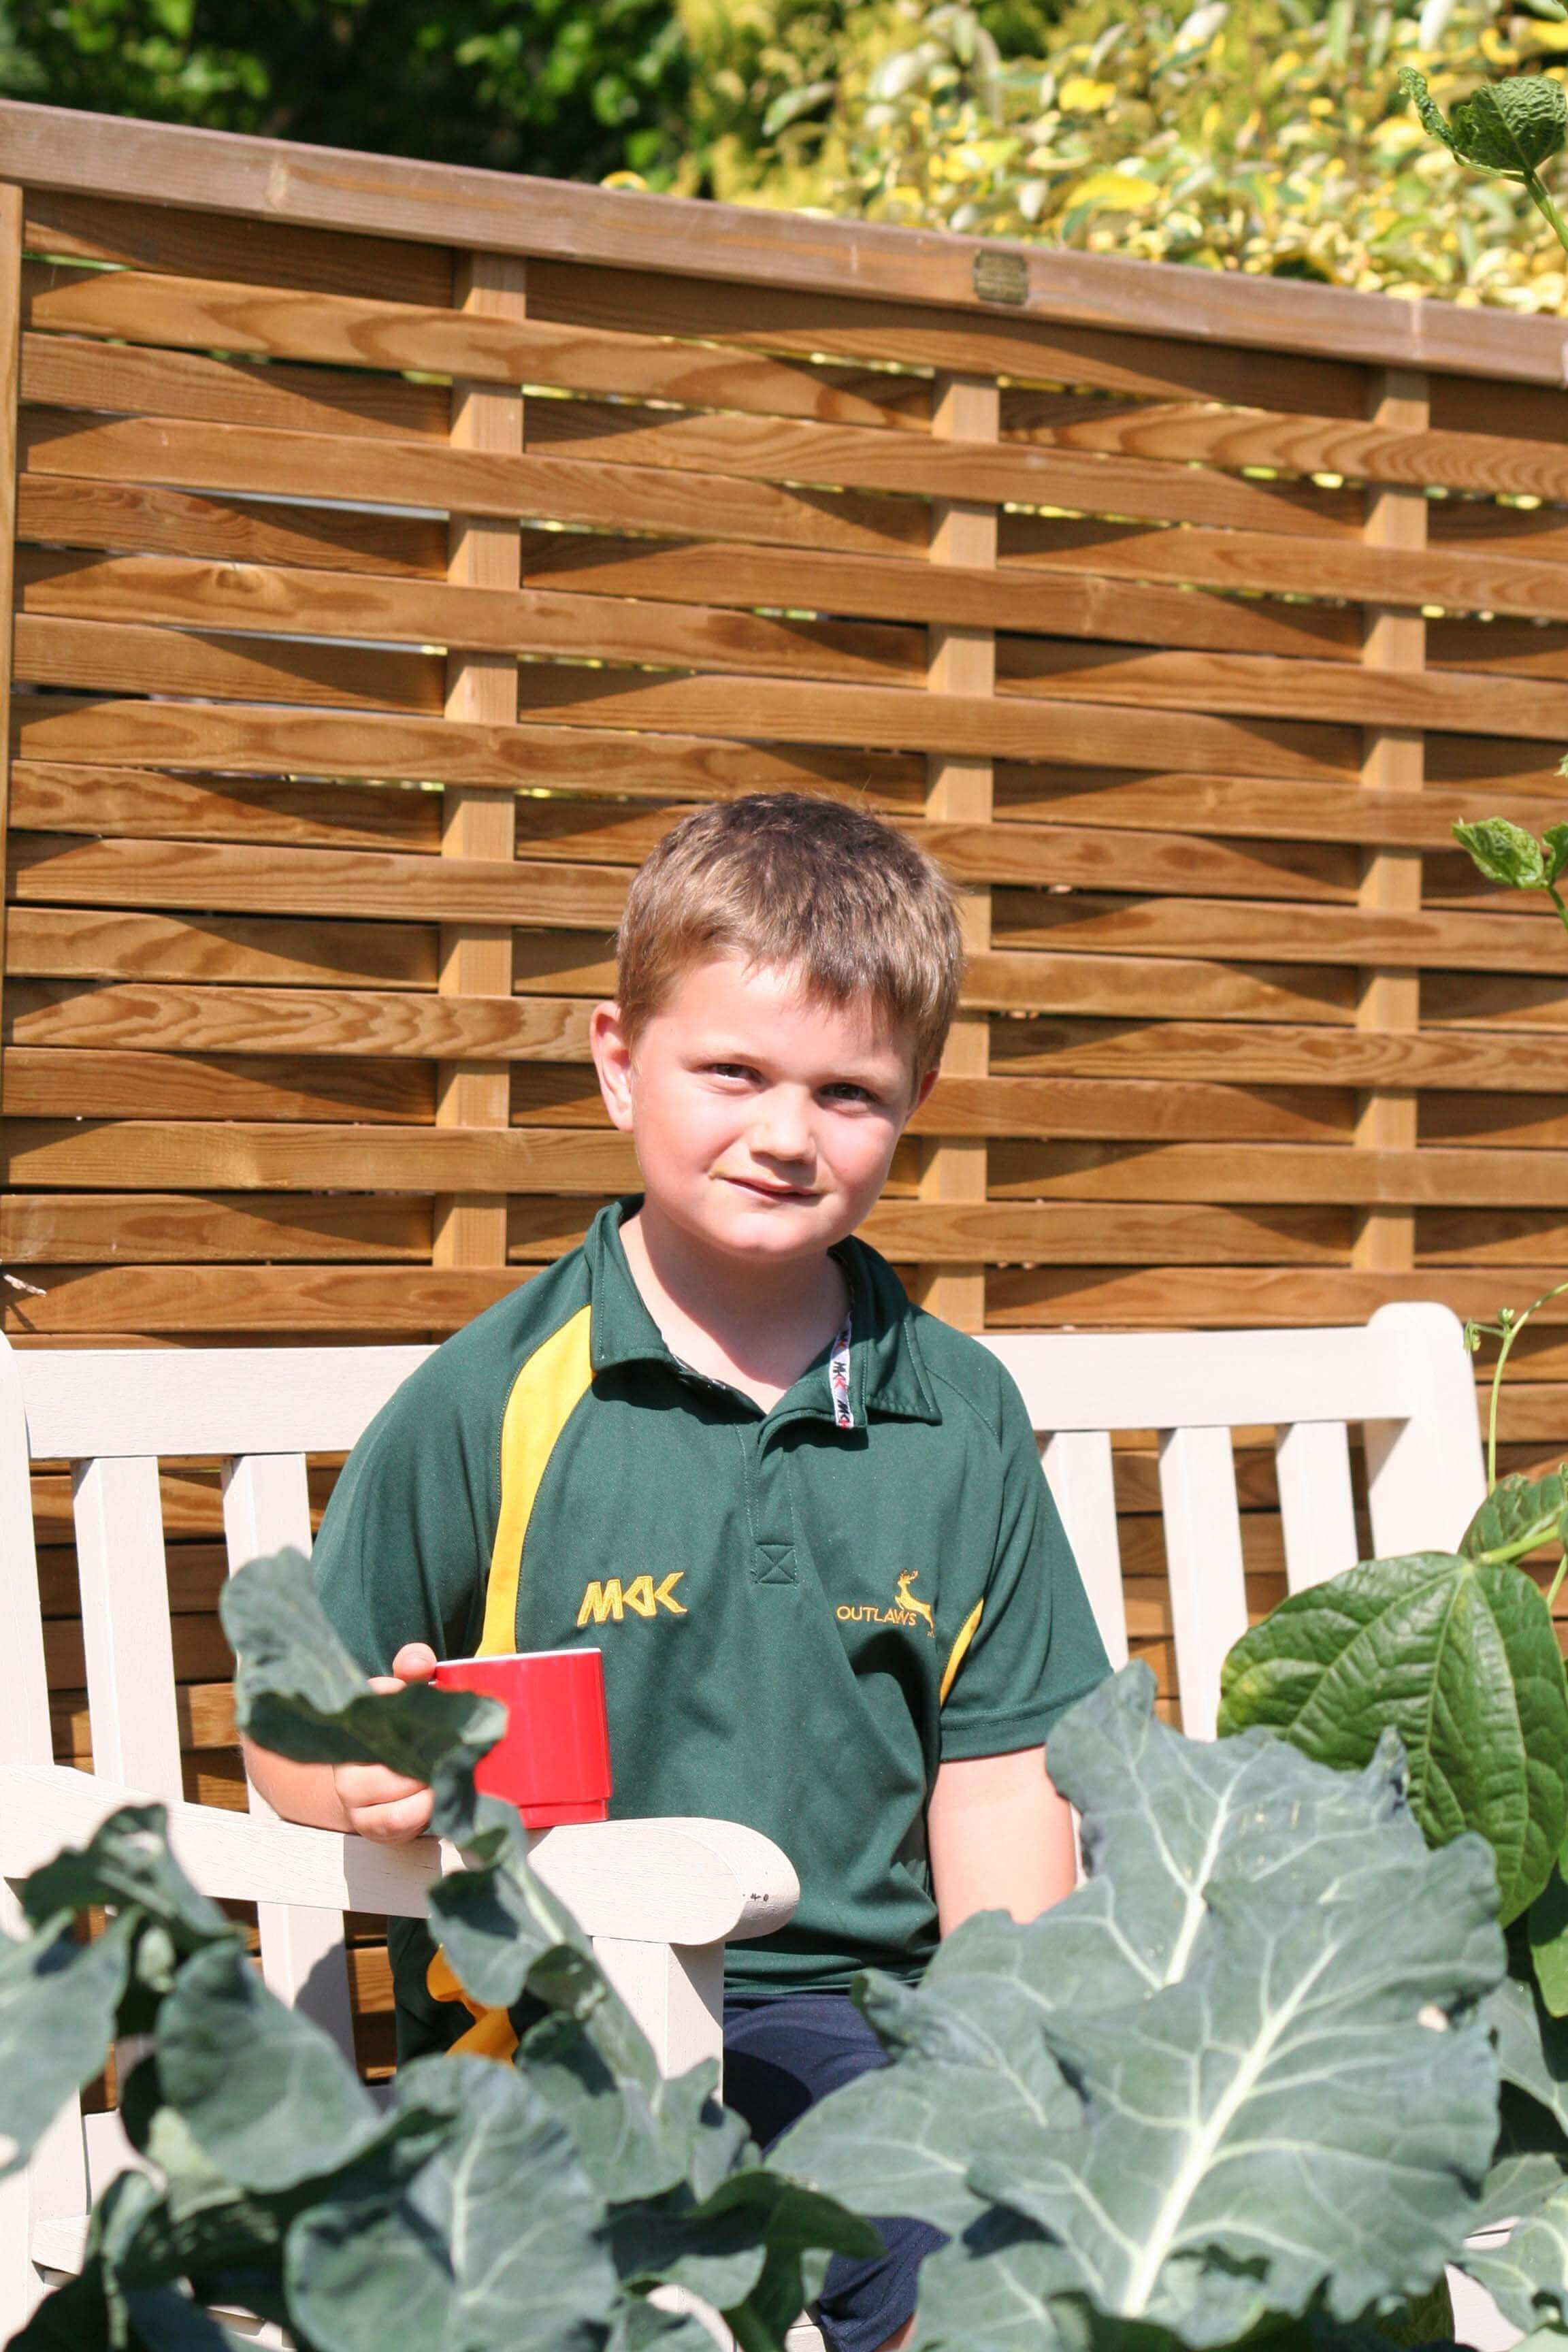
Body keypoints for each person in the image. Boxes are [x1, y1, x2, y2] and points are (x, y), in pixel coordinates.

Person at [245, 791, 1110, 2352]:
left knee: (1013, 2236)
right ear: (613, 1057)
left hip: (863, 2019)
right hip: (559, 2016)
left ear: (914, 1102)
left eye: (850, 1093)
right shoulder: (495, 1397)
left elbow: (1000, 1776)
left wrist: (1014, 2045)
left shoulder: (957, 1411)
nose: (787, 1135)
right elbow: (293, 1722)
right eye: (734, 1072)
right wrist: (360, 1769)